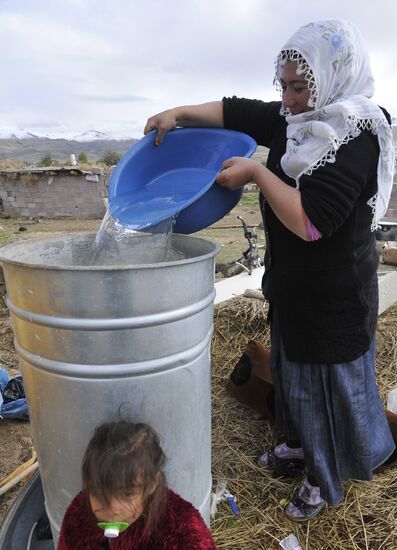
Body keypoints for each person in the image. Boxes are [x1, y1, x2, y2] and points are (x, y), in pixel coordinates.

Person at [144, 19, 396, 522]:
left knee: (326, 384)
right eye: (282, 85)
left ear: (332, 77)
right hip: (294, 284)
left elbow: (311, 221)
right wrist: (179, 113)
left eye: (299, 86)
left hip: (335, 293)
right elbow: (236, 110)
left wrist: (258, 171)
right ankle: (303, 447)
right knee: (293, 373)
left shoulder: (354, 133)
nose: (288, 98)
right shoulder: (295, 118)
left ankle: (324, 482)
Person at [57, 421, 217, 549]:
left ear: (152, 484)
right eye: (99, 492)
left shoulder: (183, 531)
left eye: (127, 493)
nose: (113, 509)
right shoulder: (77, 521)